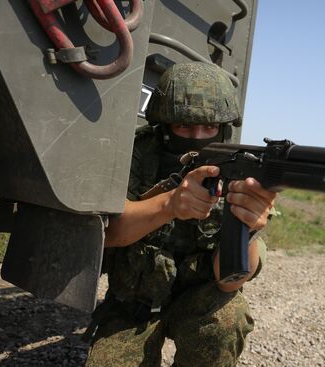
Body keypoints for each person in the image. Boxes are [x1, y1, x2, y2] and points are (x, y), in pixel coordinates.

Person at [84, 62, 277, 367]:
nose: (197, 136)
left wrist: (247, 226)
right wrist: (170, 204)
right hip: (132, 307)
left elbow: (227, 283)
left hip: (198, 302)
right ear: (164, 128)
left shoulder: (240, 175)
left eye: (209, 128)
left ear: (224, 129)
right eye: (183, 126)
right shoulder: (136, 153)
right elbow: (106, 234)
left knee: (227, 320)